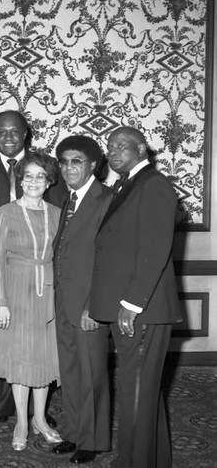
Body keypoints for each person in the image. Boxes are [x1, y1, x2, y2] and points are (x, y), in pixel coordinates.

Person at [0, 110, 66, 431]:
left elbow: (59, 223)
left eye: (14, 131)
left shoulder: (45, 167)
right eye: (1, 132)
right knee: (2, 338)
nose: (7, 137)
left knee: (39, 342)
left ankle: (39, 412)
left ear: (26, 133)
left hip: (41, 276)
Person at [89, 126, 182, 468]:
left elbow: (154, 249)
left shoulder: (153, 185)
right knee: (140, 388)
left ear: (141, 148)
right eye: (109, 147)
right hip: (132, 305)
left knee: (137, 390)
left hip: (142, 308)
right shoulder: (129, 184)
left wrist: (132, 303)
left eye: (121, 146)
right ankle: (148, 458)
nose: (112, 152)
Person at [0, 152, 62, 451]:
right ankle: (20, 420)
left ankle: (40, 420)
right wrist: (0, 301)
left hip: (49, 294)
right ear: (19, 179)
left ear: (49, 181)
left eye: (40, 176)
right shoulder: (4, 212)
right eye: (27, 175)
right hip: (16, 294)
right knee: (20, 359)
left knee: (42, 359)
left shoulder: (57, 213)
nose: (33, 181)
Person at [52, 135, 113, 464]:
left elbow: (108, 259)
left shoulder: (105, 199)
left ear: (93, 165)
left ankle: (93, 440)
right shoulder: (66, 198)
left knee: (92, 374)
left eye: (76, 161)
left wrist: (95, 304)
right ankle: (74, 432)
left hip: (89, 303)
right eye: (63, 161)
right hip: (63, 299)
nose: (68, 167)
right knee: (70, 371)